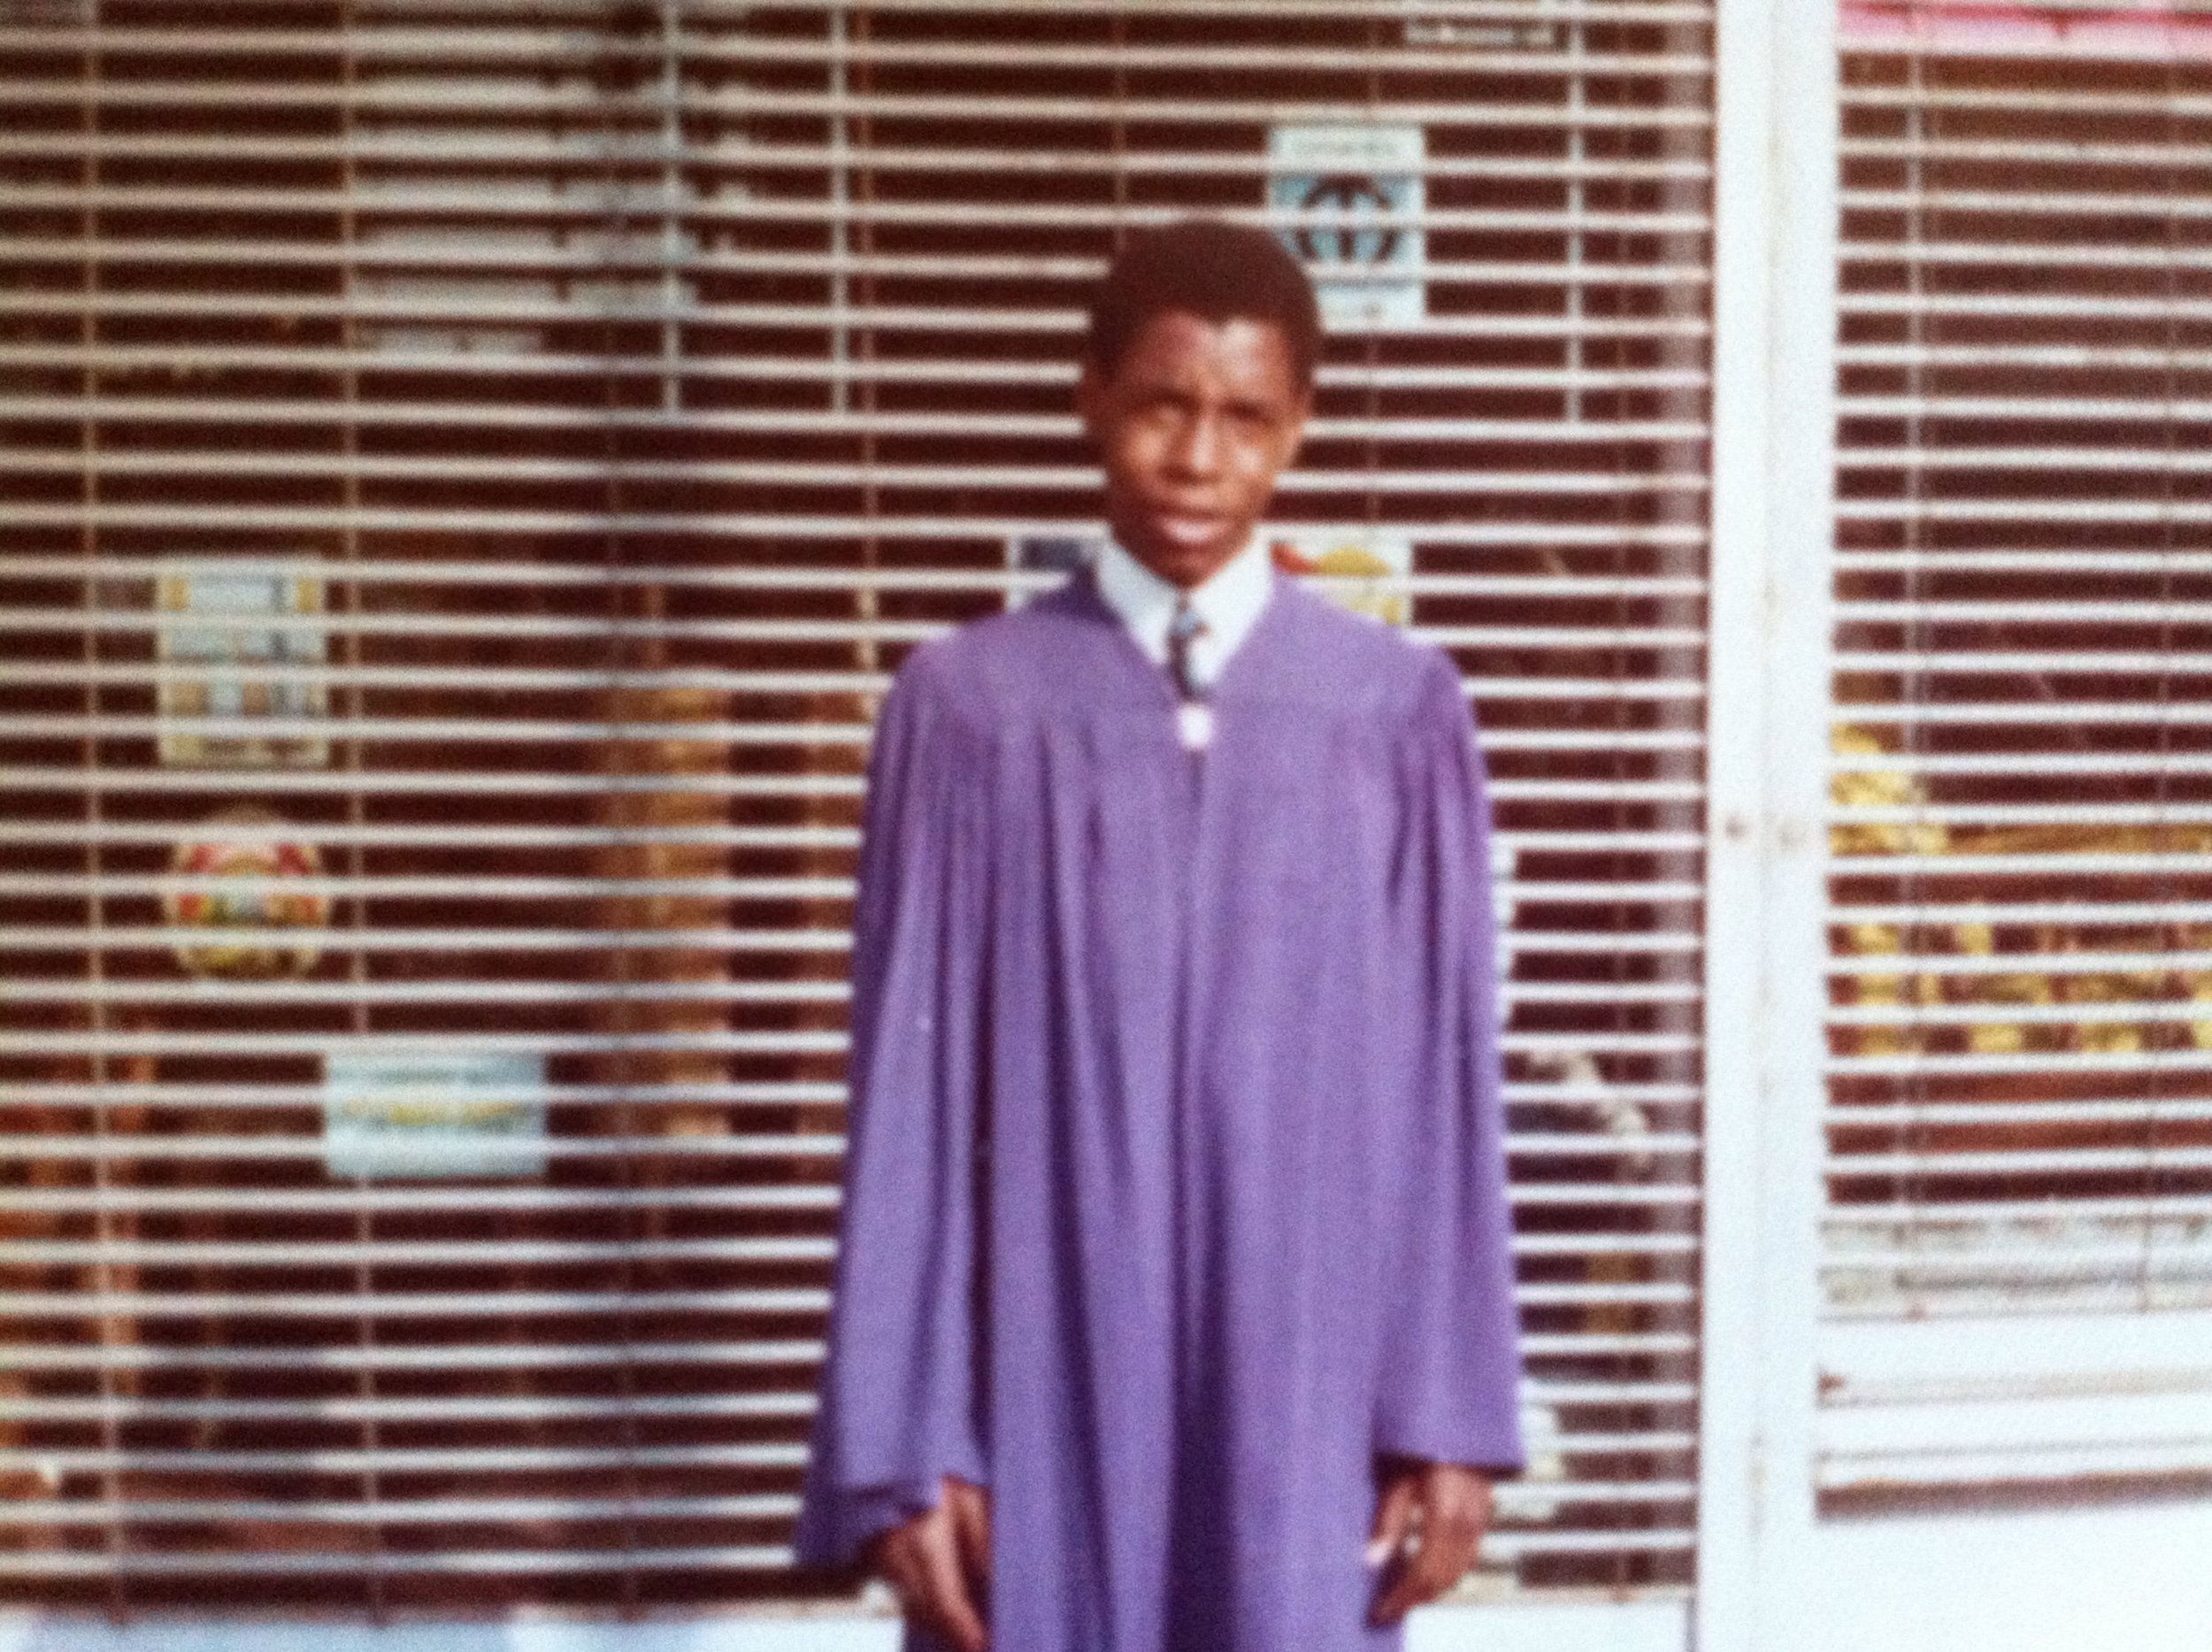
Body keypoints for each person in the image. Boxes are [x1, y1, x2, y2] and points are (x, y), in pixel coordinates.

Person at [795, 218, 1524, 1652]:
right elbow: (909, 1101)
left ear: (1300, 429)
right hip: (1040, 1381)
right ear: (1091, 398)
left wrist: (1448, 1412)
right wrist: (903, 1432)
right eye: (1160, 407)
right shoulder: (967, 708)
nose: (1199, 462)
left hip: (1304, 1375)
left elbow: (1448, 1084)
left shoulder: (1394, 711)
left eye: (1247, 419)